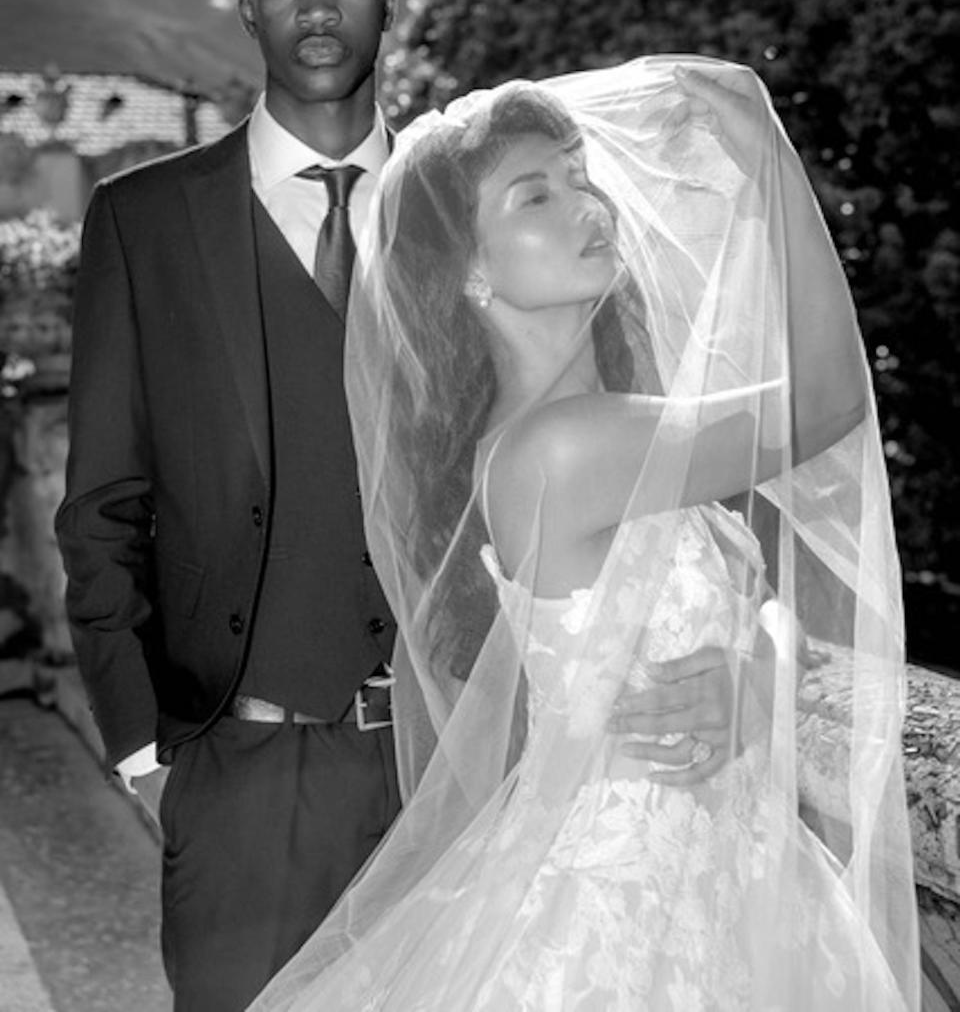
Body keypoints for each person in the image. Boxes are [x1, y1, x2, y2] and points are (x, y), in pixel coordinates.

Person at [55, 0, 734, 1012]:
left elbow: (652, 439)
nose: (315, 6)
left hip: (482, 765)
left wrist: (738, 659)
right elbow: (101, 510)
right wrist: (150, 759)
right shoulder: (144, 218)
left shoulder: (472, 197)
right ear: (246, 6)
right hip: (251, 778)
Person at [250, 57, 920, 1010]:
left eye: (579, 175)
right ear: (471, 269)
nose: (586, 204)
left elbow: (756, 604)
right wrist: (770, 164)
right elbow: (829, 397)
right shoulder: (564, 449)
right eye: (535, 194)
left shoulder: (606, 429)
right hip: (640, 903)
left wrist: (761, 668)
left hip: (724, 863)